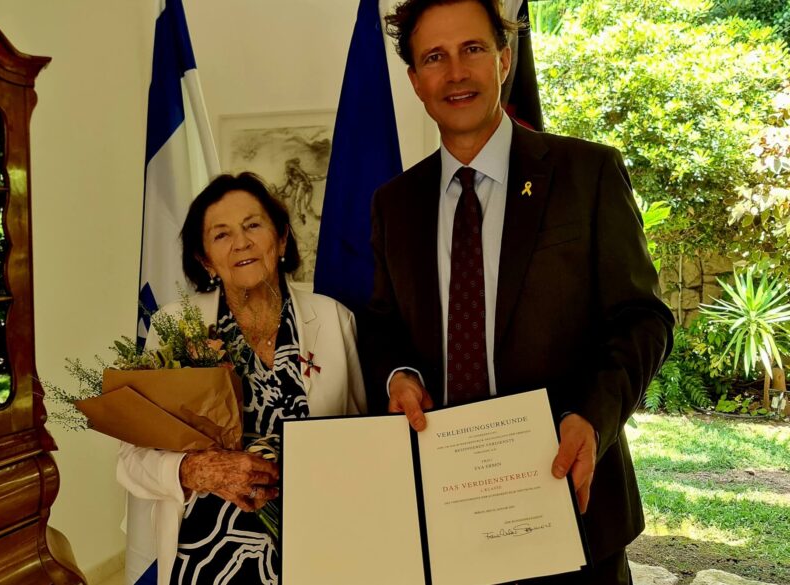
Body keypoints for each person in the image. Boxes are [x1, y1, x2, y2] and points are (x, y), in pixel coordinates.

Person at [364, 0, 674, 583]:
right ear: (415, 80)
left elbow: (642, 317)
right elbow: (384, 323)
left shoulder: (588, 174)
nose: (456, 73)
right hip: (447, 509)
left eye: (472, 49)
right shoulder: (394, 204)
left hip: (570, 500)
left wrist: (593, 417)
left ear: (504, 60)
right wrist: (398, 376)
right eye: (434, 57)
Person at [117, 172, 367, 585]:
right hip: (208, 554)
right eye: (221, 234)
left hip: (319, 545)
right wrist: (192, 470)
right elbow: (130, 459)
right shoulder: (175, 327)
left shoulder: (333, 318)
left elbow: (365, 439)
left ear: (281, 240)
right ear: (205, 259)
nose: (241, 243)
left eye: (253, 225)